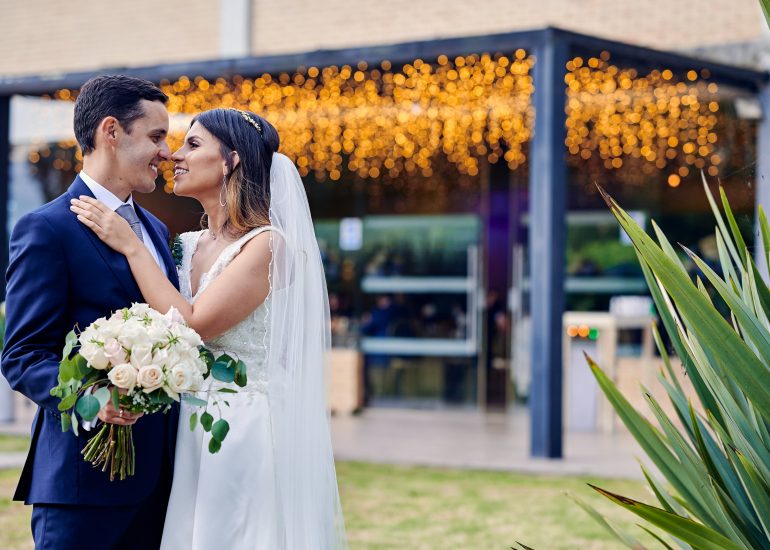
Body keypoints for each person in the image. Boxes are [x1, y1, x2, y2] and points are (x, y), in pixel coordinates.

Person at [70, 108, 346, 549]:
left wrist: (129, 244)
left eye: (193, 145)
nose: (174, 155)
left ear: (231, 161)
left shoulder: (268, 245)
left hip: (242, 426)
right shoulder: (183, 245)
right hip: (184, 424)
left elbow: (194, 324)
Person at [1, 75, 179, 549]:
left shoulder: (158, 231)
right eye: (157, 137)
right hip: (82, 485)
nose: (167, 152)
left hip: (163, 484)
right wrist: (91, 397)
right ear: (111, 132)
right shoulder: (46, 230)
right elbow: (21, 355)